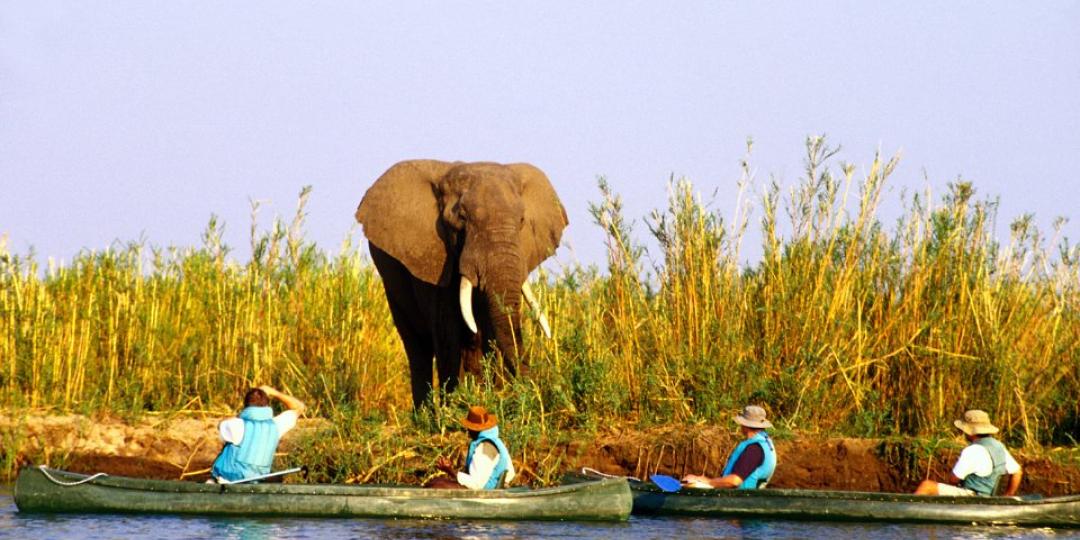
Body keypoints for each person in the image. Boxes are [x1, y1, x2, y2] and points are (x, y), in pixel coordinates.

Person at [915, 409, 1022, 497]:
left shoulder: (972, 450)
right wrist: (1008, 494)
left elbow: (953, 480)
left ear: (970, 431)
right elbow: (1017, 472)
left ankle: (908, 512)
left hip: (973, 497)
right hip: (989, 497)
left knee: (927, 486)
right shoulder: (999, 446)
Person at [210, 385, 305, 483]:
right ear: (267, 405)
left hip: (225, 480)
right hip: (254, 483)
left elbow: (220, 425)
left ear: (246, 406)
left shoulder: (236, 424)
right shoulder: (277, 425)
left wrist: (242, 414)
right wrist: (274, 392)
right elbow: (299, 407)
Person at [681, 405, 777, 490]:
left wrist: (705, 481)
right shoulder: (764, 442)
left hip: (741, 499)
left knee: (690, 481)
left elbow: (734, 481)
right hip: (746, 498)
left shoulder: (754, 449)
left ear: (745, 425)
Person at [431, 405, 516, 490]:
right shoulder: (497, 441)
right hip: (488, 490)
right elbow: (510, 473)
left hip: (484, 494)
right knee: (436, 481)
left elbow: (477, 485)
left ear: (475, 430)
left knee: (436, 485)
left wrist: (450, 470)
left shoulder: (484, 448)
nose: (468, 430)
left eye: (470, 427)